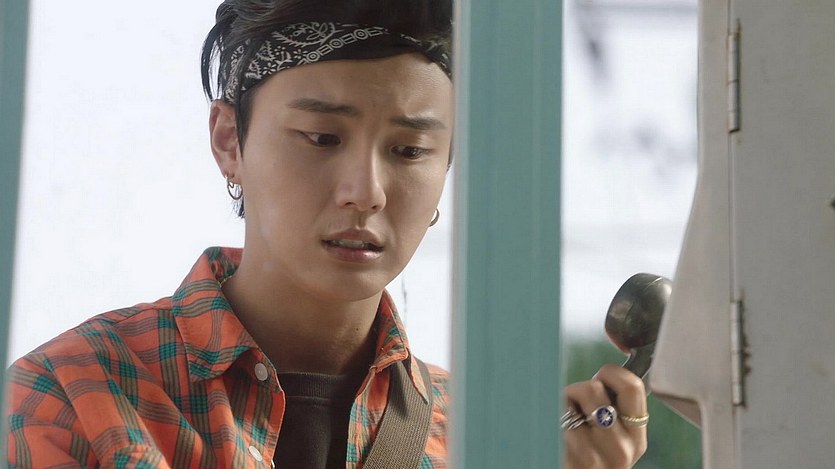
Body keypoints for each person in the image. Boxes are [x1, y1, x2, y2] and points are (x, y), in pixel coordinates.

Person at [5, 0, 648, 467]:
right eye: (321, 138)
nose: (366, 191)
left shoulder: (479, 438)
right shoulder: (73, 395)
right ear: (229, 140)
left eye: (409, 150)